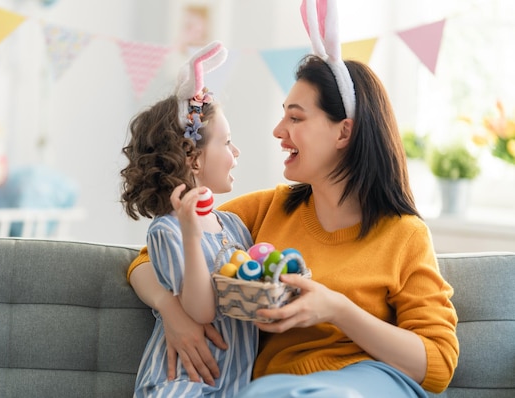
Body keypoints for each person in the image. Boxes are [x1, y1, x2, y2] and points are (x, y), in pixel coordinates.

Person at [126, 1, 459, 397]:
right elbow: (155, 253)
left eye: (296, 118)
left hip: (369, 381)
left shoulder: (404, 235)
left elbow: (437, 366)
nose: (277, 130)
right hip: (273, 388)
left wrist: (335, 309)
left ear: (343, 133)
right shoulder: (267, 209)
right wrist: (171, 310)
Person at [120, 40, 257, 397]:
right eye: (226, 142)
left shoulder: (235, 226)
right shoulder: (168, 231)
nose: (236, 151)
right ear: (193, 159)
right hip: (182, 383)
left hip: (232, 384)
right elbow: (200, 310)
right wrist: (192, 236)